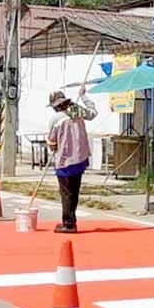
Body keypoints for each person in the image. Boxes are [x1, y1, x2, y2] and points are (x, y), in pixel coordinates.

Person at [47, 86, 97, 234]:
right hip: (80, 158)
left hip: (64, 160)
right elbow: (93, 112)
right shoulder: (78, 111)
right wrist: (83, 96)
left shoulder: (56, 119)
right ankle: (71, 220)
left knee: (66, 192)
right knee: (74, 191)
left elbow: (52, 141)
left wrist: (52, 146)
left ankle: (68, 224)